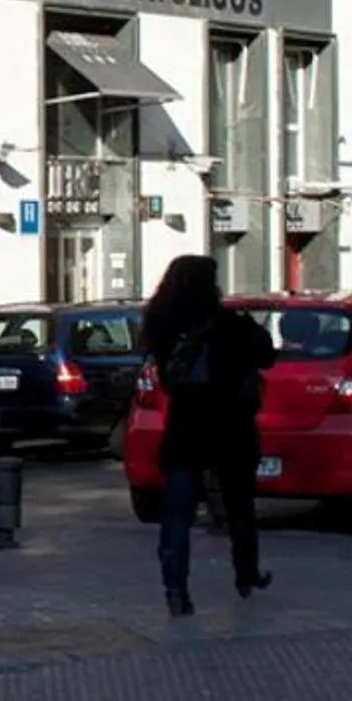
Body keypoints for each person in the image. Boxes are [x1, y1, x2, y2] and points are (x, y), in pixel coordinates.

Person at [140, 255, 275, 616]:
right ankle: (246, 574)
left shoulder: (162, 324)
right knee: (239, 504)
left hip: (185, 425)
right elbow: (267, 355)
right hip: (231, 426)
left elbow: (166, 378)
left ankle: (175, 587)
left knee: (178, 511)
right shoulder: (229, 324)